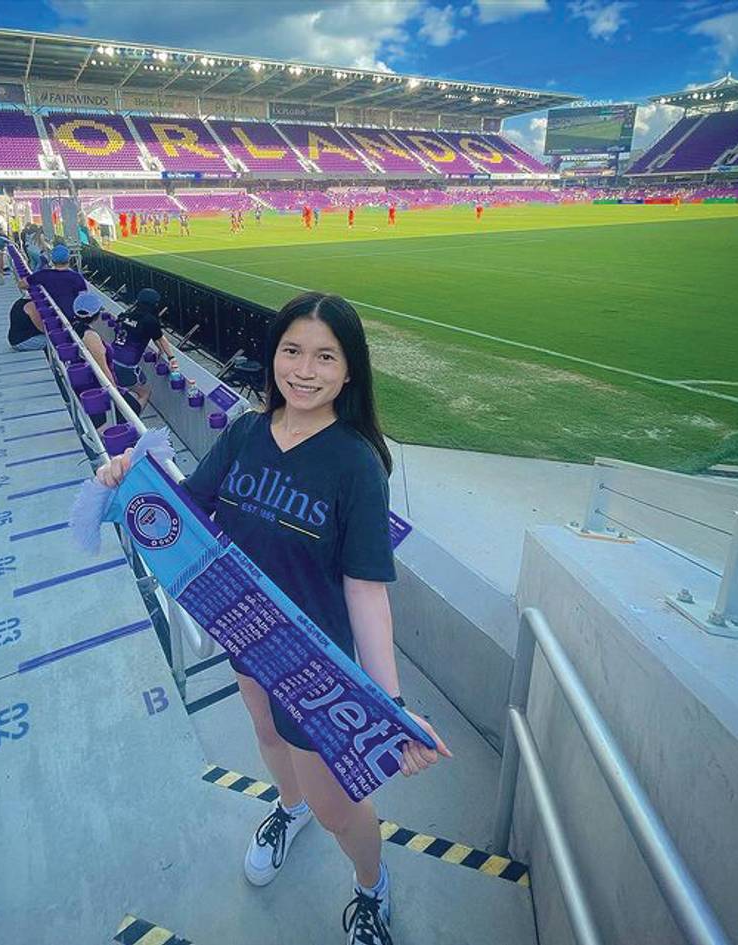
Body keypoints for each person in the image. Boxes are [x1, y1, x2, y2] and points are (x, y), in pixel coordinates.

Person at [96, 292, 449, 945]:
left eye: (324, 356)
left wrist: (388, 702)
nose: (304, 369)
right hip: (245, 635)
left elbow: (366, 589)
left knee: (339, 807)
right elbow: (187, 513)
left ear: (350, 371)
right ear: (272, 355)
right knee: (264, 733)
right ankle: (286, 809)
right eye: (292, 350)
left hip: (315, 667)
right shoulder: (243, 433)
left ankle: (371, 886)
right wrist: (128, 476)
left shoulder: (356, 464)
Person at [107, 286, 176, 409]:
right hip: (125, 366)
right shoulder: (149, 320)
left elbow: (151, 335)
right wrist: (171, 358)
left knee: (130, 384)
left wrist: (160, 349)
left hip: (110, 358)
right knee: (145, 392)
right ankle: (133, 422)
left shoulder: (125, 315)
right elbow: (160, 338)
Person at [16, 243, 86, 332]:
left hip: (52, 317)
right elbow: (84, 299)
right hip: (73, 318)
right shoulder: (77, 277)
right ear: (69, 259)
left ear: (52, 260)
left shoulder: (43, 274)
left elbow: (21, 284)